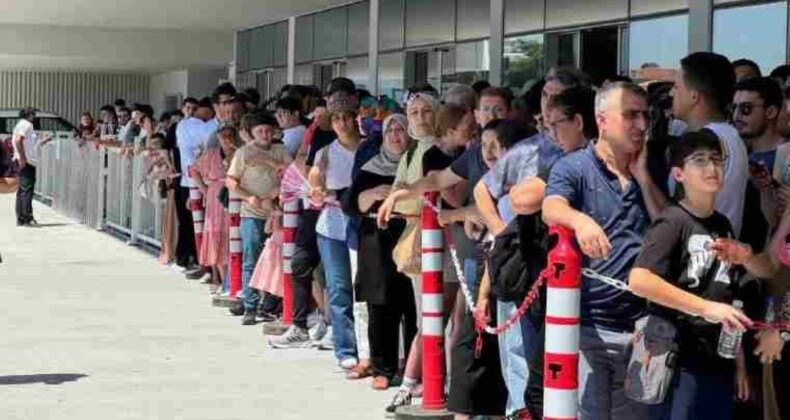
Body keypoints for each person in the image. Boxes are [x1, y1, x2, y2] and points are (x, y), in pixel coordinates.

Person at [542, 82, 669, 420]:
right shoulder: (574, 167)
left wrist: (643, 178)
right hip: (591, 328)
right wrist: (579, 221)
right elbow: (551, 207)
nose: (641, 125)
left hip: (647, 329)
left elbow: (668, 227)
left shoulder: (654, 167)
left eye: (646, 116)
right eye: (630, 115)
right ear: (602, 120)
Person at [628, 131, 756, 420]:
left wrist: (738, 364)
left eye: (717, 160)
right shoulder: (672, 221)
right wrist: (705, 308)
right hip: (677, 360)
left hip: (717, 361)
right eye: (699, 161)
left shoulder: (722, 225)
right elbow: (640, 279)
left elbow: (728, 297)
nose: (711, 168)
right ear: (678, 173)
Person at [346, 113, 417, 390]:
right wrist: (376, 192)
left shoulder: (416, 164)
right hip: (377, 241)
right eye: (390, 131)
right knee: (380, 306)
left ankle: (413, 368)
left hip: (411, 236)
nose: (395, 135)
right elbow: (352, 204)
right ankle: (382, 368)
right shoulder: (370, 166)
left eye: (401, 130)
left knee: (413, 305)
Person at [671, 52, 749, 237]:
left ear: (694, 96)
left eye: (676, 86)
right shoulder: (731, 136)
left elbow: (677, 216)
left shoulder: (705, 142)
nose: (671, 93)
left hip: (699, 258)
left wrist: (643, 178)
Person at [226, 111, 290, 325]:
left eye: (268, 130)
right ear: (251, 133)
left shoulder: (280, 149)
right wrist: (249, 197)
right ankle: (250, 306)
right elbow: (231, 181)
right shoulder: (243, 152)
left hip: (276, 213)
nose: (264, 134)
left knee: (275, 260)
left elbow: (291, 174)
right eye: (260, 130)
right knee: (250, 259)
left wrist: (269, 162)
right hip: (251, 213)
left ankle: (269, 304)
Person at [732, 77, 784, 234]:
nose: (736, 116)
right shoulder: (738, 153)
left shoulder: (786, 156)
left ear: (771, 112)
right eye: (733, 108)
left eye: (745, 109)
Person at [193, 122, 240, 294]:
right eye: (223, 136)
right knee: (216, 238)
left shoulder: (240, 154)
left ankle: (231, 283)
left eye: (230, 136)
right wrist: (204, 190)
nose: (227, 139)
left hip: (234, 197)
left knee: (233, 238)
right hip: (215, 198)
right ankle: (221, 279)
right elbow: (193, 170)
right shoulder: (211, 154)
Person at [177, 98, 218, 278]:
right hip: (193, 180)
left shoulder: (207, 125)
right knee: (195, 225)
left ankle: (208, 266)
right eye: (191, 109)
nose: (194, 113)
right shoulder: (187, 125)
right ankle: (202, 263)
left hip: (206, 181)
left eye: (197, 110)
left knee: (206, 226)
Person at [13, 107, 51, 226]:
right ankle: (27, 217)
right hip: (26, 161)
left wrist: (44, 141)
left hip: (23, 159)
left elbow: (29, 144)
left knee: (22, 190)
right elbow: (19, 140)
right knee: (27, 190)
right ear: (29, 114)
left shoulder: (21, 124)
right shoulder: (27, 124)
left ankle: (21, 218)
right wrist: (23, 157)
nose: (35, 116)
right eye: (33, 114)